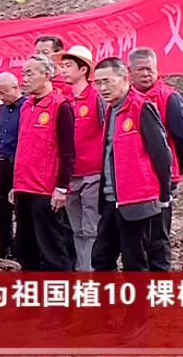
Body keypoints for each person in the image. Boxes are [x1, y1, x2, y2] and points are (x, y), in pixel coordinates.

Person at [91, 57, 172, 272]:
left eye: (107, 81)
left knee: (135, 262)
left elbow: (161, 153)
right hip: (112, 198)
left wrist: (164, 195)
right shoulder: (111, 109)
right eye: (98, 83)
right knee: (100, 258)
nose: (102, 88)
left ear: (125, 78)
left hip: (137, 200)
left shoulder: (140, 107)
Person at [128, 47, 183, 271]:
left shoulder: (168, 97)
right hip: (133, 178)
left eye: (150, 69)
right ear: (130, 72)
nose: (146, 74)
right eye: (140, 69)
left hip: (161, 177)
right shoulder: (124, 99)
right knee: (136, 235)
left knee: (158, 234)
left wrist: (175, 167)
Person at [11, 55, 75, 271]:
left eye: (30, 73)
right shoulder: (26, 106)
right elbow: (23, 147)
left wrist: (61, 187)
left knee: (52, 246)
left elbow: (68, 151)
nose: (25, 79)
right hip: (23, 186)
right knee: (26, 245)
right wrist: (15, 184)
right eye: (23, 74)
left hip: (45, 188)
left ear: (47, 75)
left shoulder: (60, 106)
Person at [54, 45, 105, 271]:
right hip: (70, 175)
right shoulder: (62, 99)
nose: (63, 70)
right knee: (75, 228)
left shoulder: (97, 97)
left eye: (68, 66)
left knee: (91, 227)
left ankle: (91, 272)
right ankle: (83, 269)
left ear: (83, 69)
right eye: (62, 66)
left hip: (93, 172)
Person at [0, 72, 26, 260]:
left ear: (15, 87)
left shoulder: (27, 107)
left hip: (19, 163)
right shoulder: (1, 109)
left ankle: (20, 248)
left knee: (20, 208)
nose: (0, 97)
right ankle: (4, 244)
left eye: (3, 93)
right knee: (2, 207)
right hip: (2, 163)